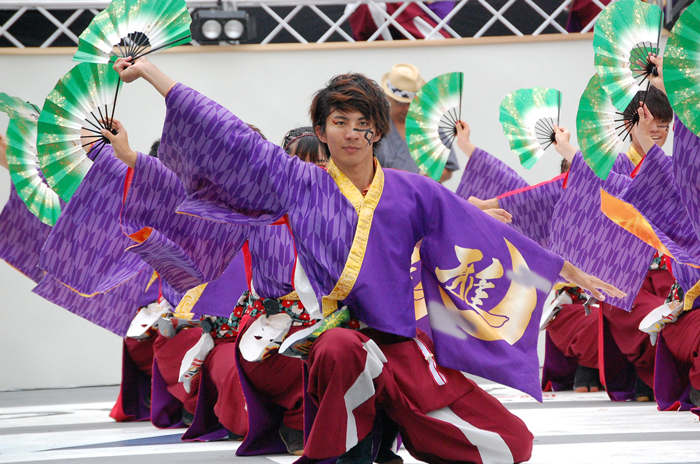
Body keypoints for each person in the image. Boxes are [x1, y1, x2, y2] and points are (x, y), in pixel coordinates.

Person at [107, 56, 623, 463]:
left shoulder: (410, 190)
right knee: (337, 350)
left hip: (401, 348)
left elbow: (482, 234)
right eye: (339, 121)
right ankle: (352, 450)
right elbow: (231, 138)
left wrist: (567, 272)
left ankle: (391, 426)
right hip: (338, 339)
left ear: (377, 130)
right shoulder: (298, 183)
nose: (351, 132)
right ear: (322, 128)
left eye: (361, 123)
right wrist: (153, 74)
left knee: (511, 445)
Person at [375, 63, 459, 183]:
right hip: (384, 194)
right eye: (400, 103)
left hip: (422, 195)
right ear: (389, 98)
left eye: (411, 103)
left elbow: (447, 168)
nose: (406, 108)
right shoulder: (376, 125)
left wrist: (422, 180)